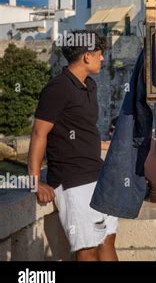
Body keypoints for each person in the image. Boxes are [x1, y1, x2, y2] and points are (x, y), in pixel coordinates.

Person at [28, 30, 118, 261]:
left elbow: (81, 128)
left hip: (98, 175)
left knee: (107, 241)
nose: (102, 58)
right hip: (73, 181)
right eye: (99, 54)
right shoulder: (57, 88)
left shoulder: (90, 86)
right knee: (87, 249)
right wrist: (35, 182)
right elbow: (39, 133)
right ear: (87, 56)